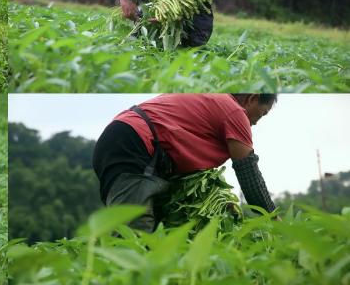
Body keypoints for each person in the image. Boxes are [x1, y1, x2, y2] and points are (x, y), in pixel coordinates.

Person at [92, 94, 277, 233]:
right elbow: (248, 173)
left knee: (158, 231)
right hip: (134, 141)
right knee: (135, 232)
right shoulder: (234, 111)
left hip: (123, 139)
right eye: (261, 114)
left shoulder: (209, 100)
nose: (256, 122)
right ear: (252, 98)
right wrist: (274, 219)